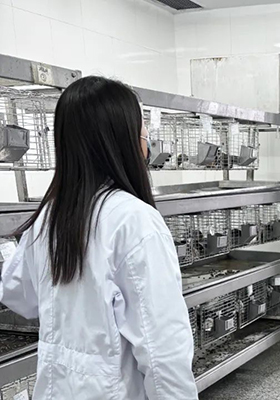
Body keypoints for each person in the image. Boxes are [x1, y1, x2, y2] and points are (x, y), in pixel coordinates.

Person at [0, 77, 198, 399]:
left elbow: (19, 296)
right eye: (143, 134)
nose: (146, 146)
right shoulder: (134, 220)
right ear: (123, 141)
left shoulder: (50, 216)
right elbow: (163, 352)